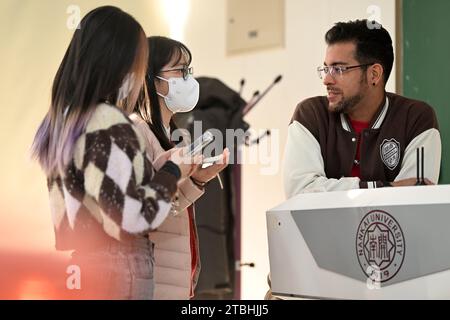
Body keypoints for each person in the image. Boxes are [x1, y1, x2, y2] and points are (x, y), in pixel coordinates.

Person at [31, 7, 199, 300]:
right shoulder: (107, 121)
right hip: (121, 268)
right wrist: (173, 173)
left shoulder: (61, 121)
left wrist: (157, 171)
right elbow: (132, 216)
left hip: (83, 265)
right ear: (119, 64)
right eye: (139, 64)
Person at [284, 19, 441, 198]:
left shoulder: (417, 118)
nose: (326, 80)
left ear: (374, 74)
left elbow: (416, 197)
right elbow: (300, 192)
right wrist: (388, 187)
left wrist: (334, 190)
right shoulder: (310, 115)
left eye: (339, 69)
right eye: (326, 69)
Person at [130, 36, 229, 299]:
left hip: (180, 272)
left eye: (190, 70)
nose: (189, 79)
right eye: (181, 70)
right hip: (154, 277)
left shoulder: (178, 135)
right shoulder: (136, 132)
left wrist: (198, 180)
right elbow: (143, 212)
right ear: (150, 77)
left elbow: (170, 206)